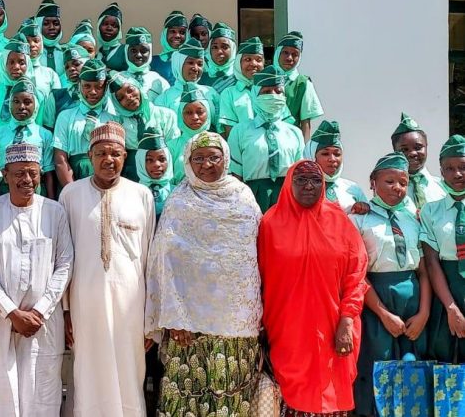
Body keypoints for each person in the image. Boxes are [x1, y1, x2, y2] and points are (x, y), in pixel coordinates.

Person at [146, 131, 263, 415]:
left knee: (232, 401)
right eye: (198, 158)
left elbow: (254, 258)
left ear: (226, 158)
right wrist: (174, 318)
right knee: (187, 401)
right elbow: (164, 262)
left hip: (236, 324)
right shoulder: (179, 200)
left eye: (214, 157)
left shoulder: (243, 198)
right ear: (187, 161)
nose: (207, 164)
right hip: (188, 326)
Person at [60, 121, 156, 416]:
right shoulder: (70, 195)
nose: (108, 159)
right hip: (83, 303)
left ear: (125, 157)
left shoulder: (142, 195)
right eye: (101, 153)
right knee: (88, 372)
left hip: (132, 304)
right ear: (89, 156)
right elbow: (63, 257)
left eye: (115, 153)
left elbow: (150, 259)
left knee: (130, 371)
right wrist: (65, 311)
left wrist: (151, 316)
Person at [259, 160, 368, 416]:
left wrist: (347, 320)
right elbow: (258, 277)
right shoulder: (270, 224)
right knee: (291, 392)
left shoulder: (340, 222)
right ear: (288, 183)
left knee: (330, 392)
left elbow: (356, 274)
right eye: (301, 180)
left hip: (334, 326)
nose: (309, 186)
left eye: (316, 180)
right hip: (287, 329)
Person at [0, 142, 73, 416]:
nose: (26, 180)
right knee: (1, 390)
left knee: (42, 391)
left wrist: (39, 311)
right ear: (5, 175)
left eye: (32, 173)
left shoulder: (55, 211)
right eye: (19, 173)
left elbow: (65, 264)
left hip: (44, 321)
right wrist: (11, 312)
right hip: (1, 319)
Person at [350, 152, 430, 416]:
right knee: (377, 368)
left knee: (411, 372)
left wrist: (424, 313)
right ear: (372, 182)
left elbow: (423, 270)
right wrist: (384, 314)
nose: (398, 188)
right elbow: (357, 274)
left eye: (403, 183)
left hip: (412, 302)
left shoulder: (411, 218)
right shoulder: (359, 219)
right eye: (389, 182)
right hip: (376, 301)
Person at [228, 65, 304, 212]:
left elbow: (298, 173)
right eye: (266, 91)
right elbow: (236, 175)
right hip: (251, 197)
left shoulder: (294, 133)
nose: (273, 95)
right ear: (255, 95)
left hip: (287, 197)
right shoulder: (240, 131)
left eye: (278, 91)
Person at [421, 134, 465, 362]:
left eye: (462, 167)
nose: (457, 174)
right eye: (449, 168)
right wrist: (451, 308)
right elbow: (431, 261)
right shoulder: (431, 211)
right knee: (447, 360)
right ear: (441, 171)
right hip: (446, 290)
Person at [0, 78, 56, 199]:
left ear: (36, 105)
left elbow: (49, 172)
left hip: (35, 189)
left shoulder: (44, 135)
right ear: (9, 104)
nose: (21, 106)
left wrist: (51, 200)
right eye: (16, 101)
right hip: (5, 189)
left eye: (27, 102)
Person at [53, 59, 117, 186]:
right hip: (72, 177)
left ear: (105, 89)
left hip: (106, 179)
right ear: (79, 86)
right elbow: (60, 159)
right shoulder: (65, 116)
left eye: (98, 87)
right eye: (87, 86)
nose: (93, 92)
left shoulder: (113, 119)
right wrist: (71, 190)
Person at [108, 73, 178, 182]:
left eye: (130, 90)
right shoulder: (117, 123)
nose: (128, 97)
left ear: (138, 86)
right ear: (116, 103)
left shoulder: (167, 115)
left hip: (163, 172)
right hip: (132, 175)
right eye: (121, 98)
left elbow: (173, 149)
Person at [0, 34, 44, 135]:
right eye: (11, 62)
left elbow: (38, 126)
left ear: (28, 65)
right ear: (4, 64)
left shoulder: (38, 95)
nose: (16, 67)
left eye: (22, 62)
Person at [153, 38, 219, 131]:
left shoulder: (210, 93)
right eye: (190, 63)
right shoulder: (164, 99)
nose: (195, 68)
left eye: (200, 64)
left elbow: (220, 128)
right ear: (179, 64)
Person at [304, 120, 369, 214]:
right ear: (311, 156)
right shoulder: (301, 188)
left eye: (337, 154)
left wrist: (363, 208)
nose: (332, 159)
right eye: (325, 154)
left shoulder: (353, 188)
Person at [273, 31, 324, 141]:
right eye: (285, 52)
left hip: (291, 142)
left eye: (295, 54)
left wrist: (305, 154)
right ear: (277, 53)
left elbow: (305, 123)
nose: (289, 58)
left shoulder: (303, 83)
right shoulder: (265, 78)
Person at [391, 112, 446, 214]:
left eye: (418, 147)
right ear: (395, 151)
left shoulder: (443, 187)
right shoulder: (389, 190)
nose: (412, 153)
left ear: (426, 146)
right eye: (404, 150)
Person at [217, 36, 267, 138]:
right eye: (247, 59)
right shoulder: (229, 94)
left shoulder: (271, 90)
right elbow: (229, 131)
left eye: (258, 60)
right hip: (241, 149)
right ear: (238, 63)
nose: (253, 64)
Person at [167, 83, 211, 185]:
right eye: (189, 113)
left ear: (208, 112)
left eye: (200, 112)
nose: (195, 117)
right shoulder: (171, 147)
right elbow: (166, 182)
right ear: (181, 115)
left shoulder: (218, 142)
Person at [41, 44, 90, 131]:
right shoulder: (56, 96)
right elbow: (48, 132)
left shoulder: (98, 94)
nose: (71, 69)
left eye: (76, 64)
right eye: (67, 67)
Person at [19, 17, 62, 108]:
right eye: (26, 41)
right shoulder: (13, 73)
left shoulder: (50, 74)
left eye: (36, 41)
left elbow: (57, 104)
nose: (32, 45)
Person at [120, 27, 170, 103]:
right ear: (126, 51)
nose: (138, 55)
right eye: (133, 50)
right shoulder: (118, 80)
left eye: (144, 51)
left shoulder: (160, 82)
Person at [135, 128, 173, 218]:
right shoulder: (131, 194)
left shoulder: (179, 192)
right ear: (140, 162)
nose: (157, 165)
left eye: (162, 159)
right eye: (149, 160)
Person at [150, 11, 188, 85]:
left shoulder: (193, 62)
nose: (177, 35)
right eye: (172, 31)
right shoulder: (152, 62)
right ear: (165, 34)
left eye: (182, 32)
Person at [198, 22, 237, 94]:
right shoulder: (200, 76)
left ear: (233, 49)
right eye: (215, 47)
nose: (219, 51)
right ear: (209, 50)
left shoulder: (239, 78)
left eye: (225, 47)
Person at [36, 0, 65, 74]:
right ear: (38, 25)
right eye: (46, 23)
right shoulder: (31, 52)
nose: (52, 27)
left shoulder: (66, 52)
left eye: (56, 24)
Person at [96, 2, 127, 71]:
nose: (109, 28)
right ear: (98, 26)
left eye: (114, 25)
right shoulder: (95, 54)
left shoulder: (126, 50)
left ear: (119, 30)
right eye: (105, 24)